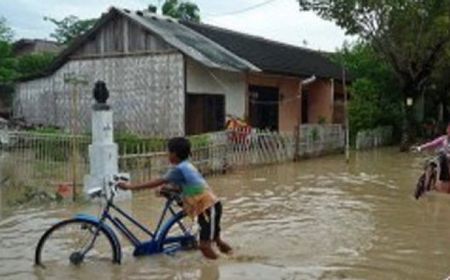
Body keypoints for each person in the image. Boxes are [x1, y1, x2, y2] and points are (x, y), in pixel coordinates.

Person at [117, 137, 232, 259]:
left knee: (204, 246)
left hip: (208, 207)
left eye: (169, 152)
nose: (168, 155)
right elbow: (190, 186)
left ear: (175, 154)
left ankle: (222, 265)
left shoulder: (178, 169)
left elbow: (156, 182)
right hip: (208, 206)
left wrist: (130, 187)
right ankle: (233, 256)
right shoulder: (186, 166)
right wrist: (167, 189)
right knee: (216, 240)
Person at [415, 122, 450, 192]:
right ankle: (426, 187)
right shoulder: (443, 139)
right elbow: (432, 144)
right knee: (430, 164)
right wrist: (421, 147)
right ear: (447, 130)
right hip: (441, 158)